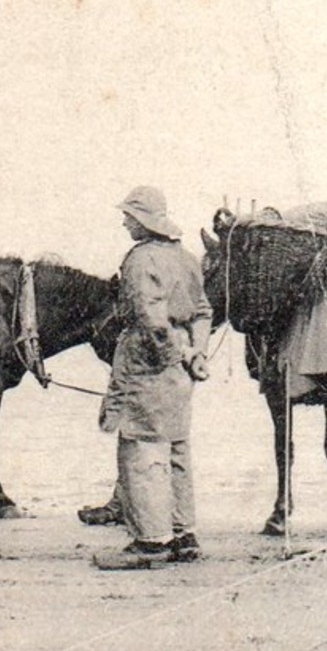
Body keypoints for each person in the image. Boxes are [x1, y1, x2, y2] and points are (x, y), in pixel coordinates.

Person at [92, 186, 213, 569]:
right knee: (176, 447)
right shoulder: (187, 258)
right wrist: (195, 353)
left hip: (147, 360)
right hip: (180, 362)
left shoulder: (141, 259)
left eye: (129, 215)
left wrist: (171, 353)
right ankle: (183, 535)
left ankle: (151, 541)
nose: (124, 221)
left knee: (141, 447)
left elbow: (149, 317)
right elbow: (203, 311)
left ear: (144, 221)